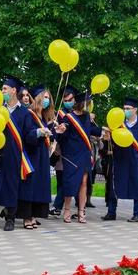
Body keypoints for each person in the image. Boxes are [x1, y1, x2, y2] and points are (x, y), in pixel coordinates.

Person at [0, 75, 38, 232]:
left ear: (13, 90)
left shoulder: (24, 114)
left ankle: (10, 218)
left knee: (11, 185)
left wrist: (38, 132)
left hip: (13, 154)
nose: (2, 91)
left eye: (4, 88)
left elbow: (29, 135)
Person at [17, 84, 63, 229]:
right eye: (44, 97)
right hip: (31, 154)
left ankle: (34, 215)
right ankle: (26, 217)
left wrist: (56, 131)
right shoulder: (28, 114)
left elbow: (46, 136)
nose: (47, 100)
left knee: (39, 185)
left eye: (48, 98)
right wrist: (38, 132)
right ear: (37, 98)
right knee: (30, 185)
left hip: (41, 155)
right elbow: (27, 134)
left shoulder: (42, 116)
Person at [56, 91, 102, 224]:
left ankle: (81, 212)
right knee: (70, 182)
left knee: (83, 182)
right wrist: (62, 130)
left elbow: (91, 130)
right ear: (82, 104)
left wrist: (104, 130)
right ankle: (67, 210)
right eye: (88, 104)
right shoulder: (68, 117)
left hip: (85, 153)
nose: (89, 107)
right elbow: (64, 134)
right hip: (71, 154)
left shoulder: (87, 116)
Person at [48, 85, 78, 216]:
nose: (67, 103)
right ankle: (59, 206)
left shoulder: (80, 114)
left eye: (70, 100)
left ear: (75, 99)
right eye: (65, 100)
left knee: (76, 180)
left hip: (77, 152)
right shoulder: (59, 114)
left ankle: (78, 208)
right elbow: (53, 131)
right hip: (63, 152)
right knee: (63, 179)